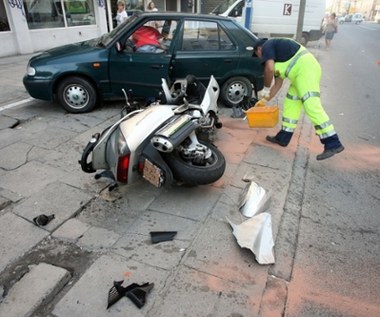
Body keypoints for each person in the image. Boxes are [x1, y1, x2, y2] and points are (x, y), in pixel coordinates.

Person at [254, 38, 344, 160]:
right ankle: (283, 137)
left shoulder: (268, 45)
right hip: (299, 76)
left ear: (259, 49)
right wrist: (264, 100)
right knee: (291, 103)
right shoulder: (277, 57)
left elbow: (269, 69)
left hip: (307, 70)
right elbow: (278, 84)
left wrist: (265, 88)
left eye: (257, 55)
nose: (260, 58)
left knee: (311, 106)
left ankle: (333, 143)